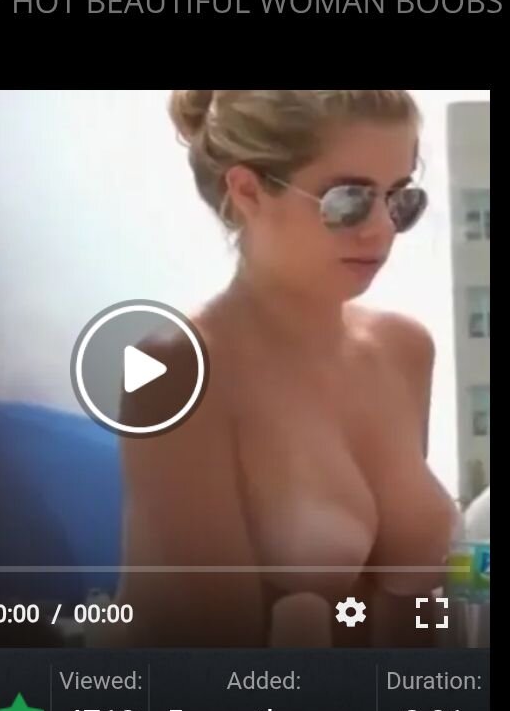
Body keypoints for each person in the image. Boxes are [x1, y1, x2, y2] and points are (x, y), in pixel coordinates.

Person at [109, 90, 460, 648]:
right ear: (247, 191)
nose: (381, 229)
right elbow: (202, 652)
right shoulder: (177, 370)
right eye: (348, 200)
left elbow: (410, 612)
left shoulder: (404, 349)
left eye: (400, 199)